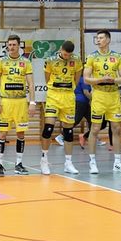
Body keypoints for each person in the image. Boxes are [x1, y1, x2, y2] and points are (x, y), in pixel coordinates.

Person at [83, 30, 121, 174]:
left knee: (116, 129)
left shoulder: (117, 56)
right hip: (99, 96)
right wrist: (101, 80)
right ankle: (92, 163)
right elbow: (86, 78)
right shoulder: (92, 57)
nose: (98, 40)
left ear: (108, 40)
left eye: (101, 38)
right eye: (97, 38)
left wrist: (113, 80)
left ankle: (117, 163)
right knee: (95, 129)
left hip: (113, 96)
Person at [0, 34, 36, 176]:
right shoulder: (1, 61)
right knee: (2, 133)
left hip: (21, 102)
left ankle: (19, 164)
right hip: (6, 102)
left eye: (14, 45)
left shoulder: (25, 62)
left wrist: (32, 102)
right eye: (9, 45)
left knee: (20, 133)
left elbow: (31, 84)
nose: (11, 47)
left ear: (19, 46)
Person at [40, 40, 83, 175]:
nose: (66, 57)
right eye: (64, 54)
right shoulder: (50, 60)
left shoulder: (76, 60)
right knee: (48, 128)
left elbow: (76, 78)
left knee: (68, 131)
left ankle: (68, 163)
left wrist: (69, 88)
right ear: (60, 50)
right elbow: (47, 79)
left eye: (68, 55)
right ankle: (44, 160)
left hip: (68, 97)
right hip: (54, 95)